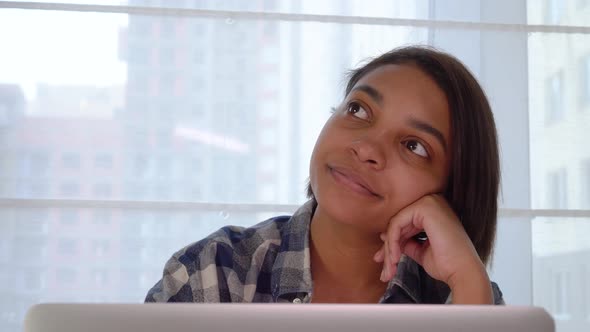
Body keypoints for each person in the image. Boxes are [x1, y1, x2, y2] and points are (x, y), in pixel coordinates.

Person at [145, 45, 504, 304]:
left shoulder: (465, 295)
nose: (366, 148)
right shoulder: (216, 272)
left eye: (414, 146)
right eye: (358, 110)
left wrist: (470, 286)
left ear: (452, 189)